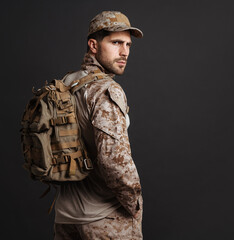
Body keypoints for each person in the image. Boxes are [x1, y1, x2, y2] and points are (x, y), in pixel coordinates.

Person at [53, 11, 143, 240]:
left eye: (128, 45)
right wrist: (135, 203)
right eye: (116, 43)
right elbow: (114, 161)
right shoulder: (106, 91)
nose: (125, 52)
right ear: (93, 45)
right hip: (104, 221)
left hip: (65, 217)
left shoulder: (66, 84)